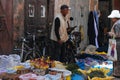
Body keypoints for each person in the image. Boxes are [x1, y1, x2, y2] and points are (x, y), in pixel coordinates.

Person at [108, 10, 120, 77]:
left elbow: (118, 34)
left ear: (115, 17)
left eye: (112, 18)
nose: (112, 19)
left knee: (116, 58)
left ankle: (117, 73)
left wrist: (111, 34)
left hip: (117, 43)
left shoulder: (117, 24)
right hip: (117, 43)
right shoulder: (118, 23)